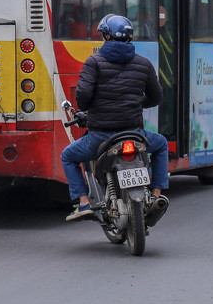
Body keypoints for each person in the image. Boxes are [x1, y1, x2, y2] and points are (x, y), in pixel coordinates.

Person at [60, 14, 169, 222]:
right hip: (134, 134)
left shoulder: (94, 62)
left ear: (107, 36)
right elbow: (156, 97)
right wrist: (137, 103)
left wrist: (91, 108)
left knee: (68, 156)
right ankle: (156, 195)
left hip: (100, 137)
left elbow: (82, 99)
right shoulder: (144, 64)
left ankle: (83, 203)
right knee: (161, 144)